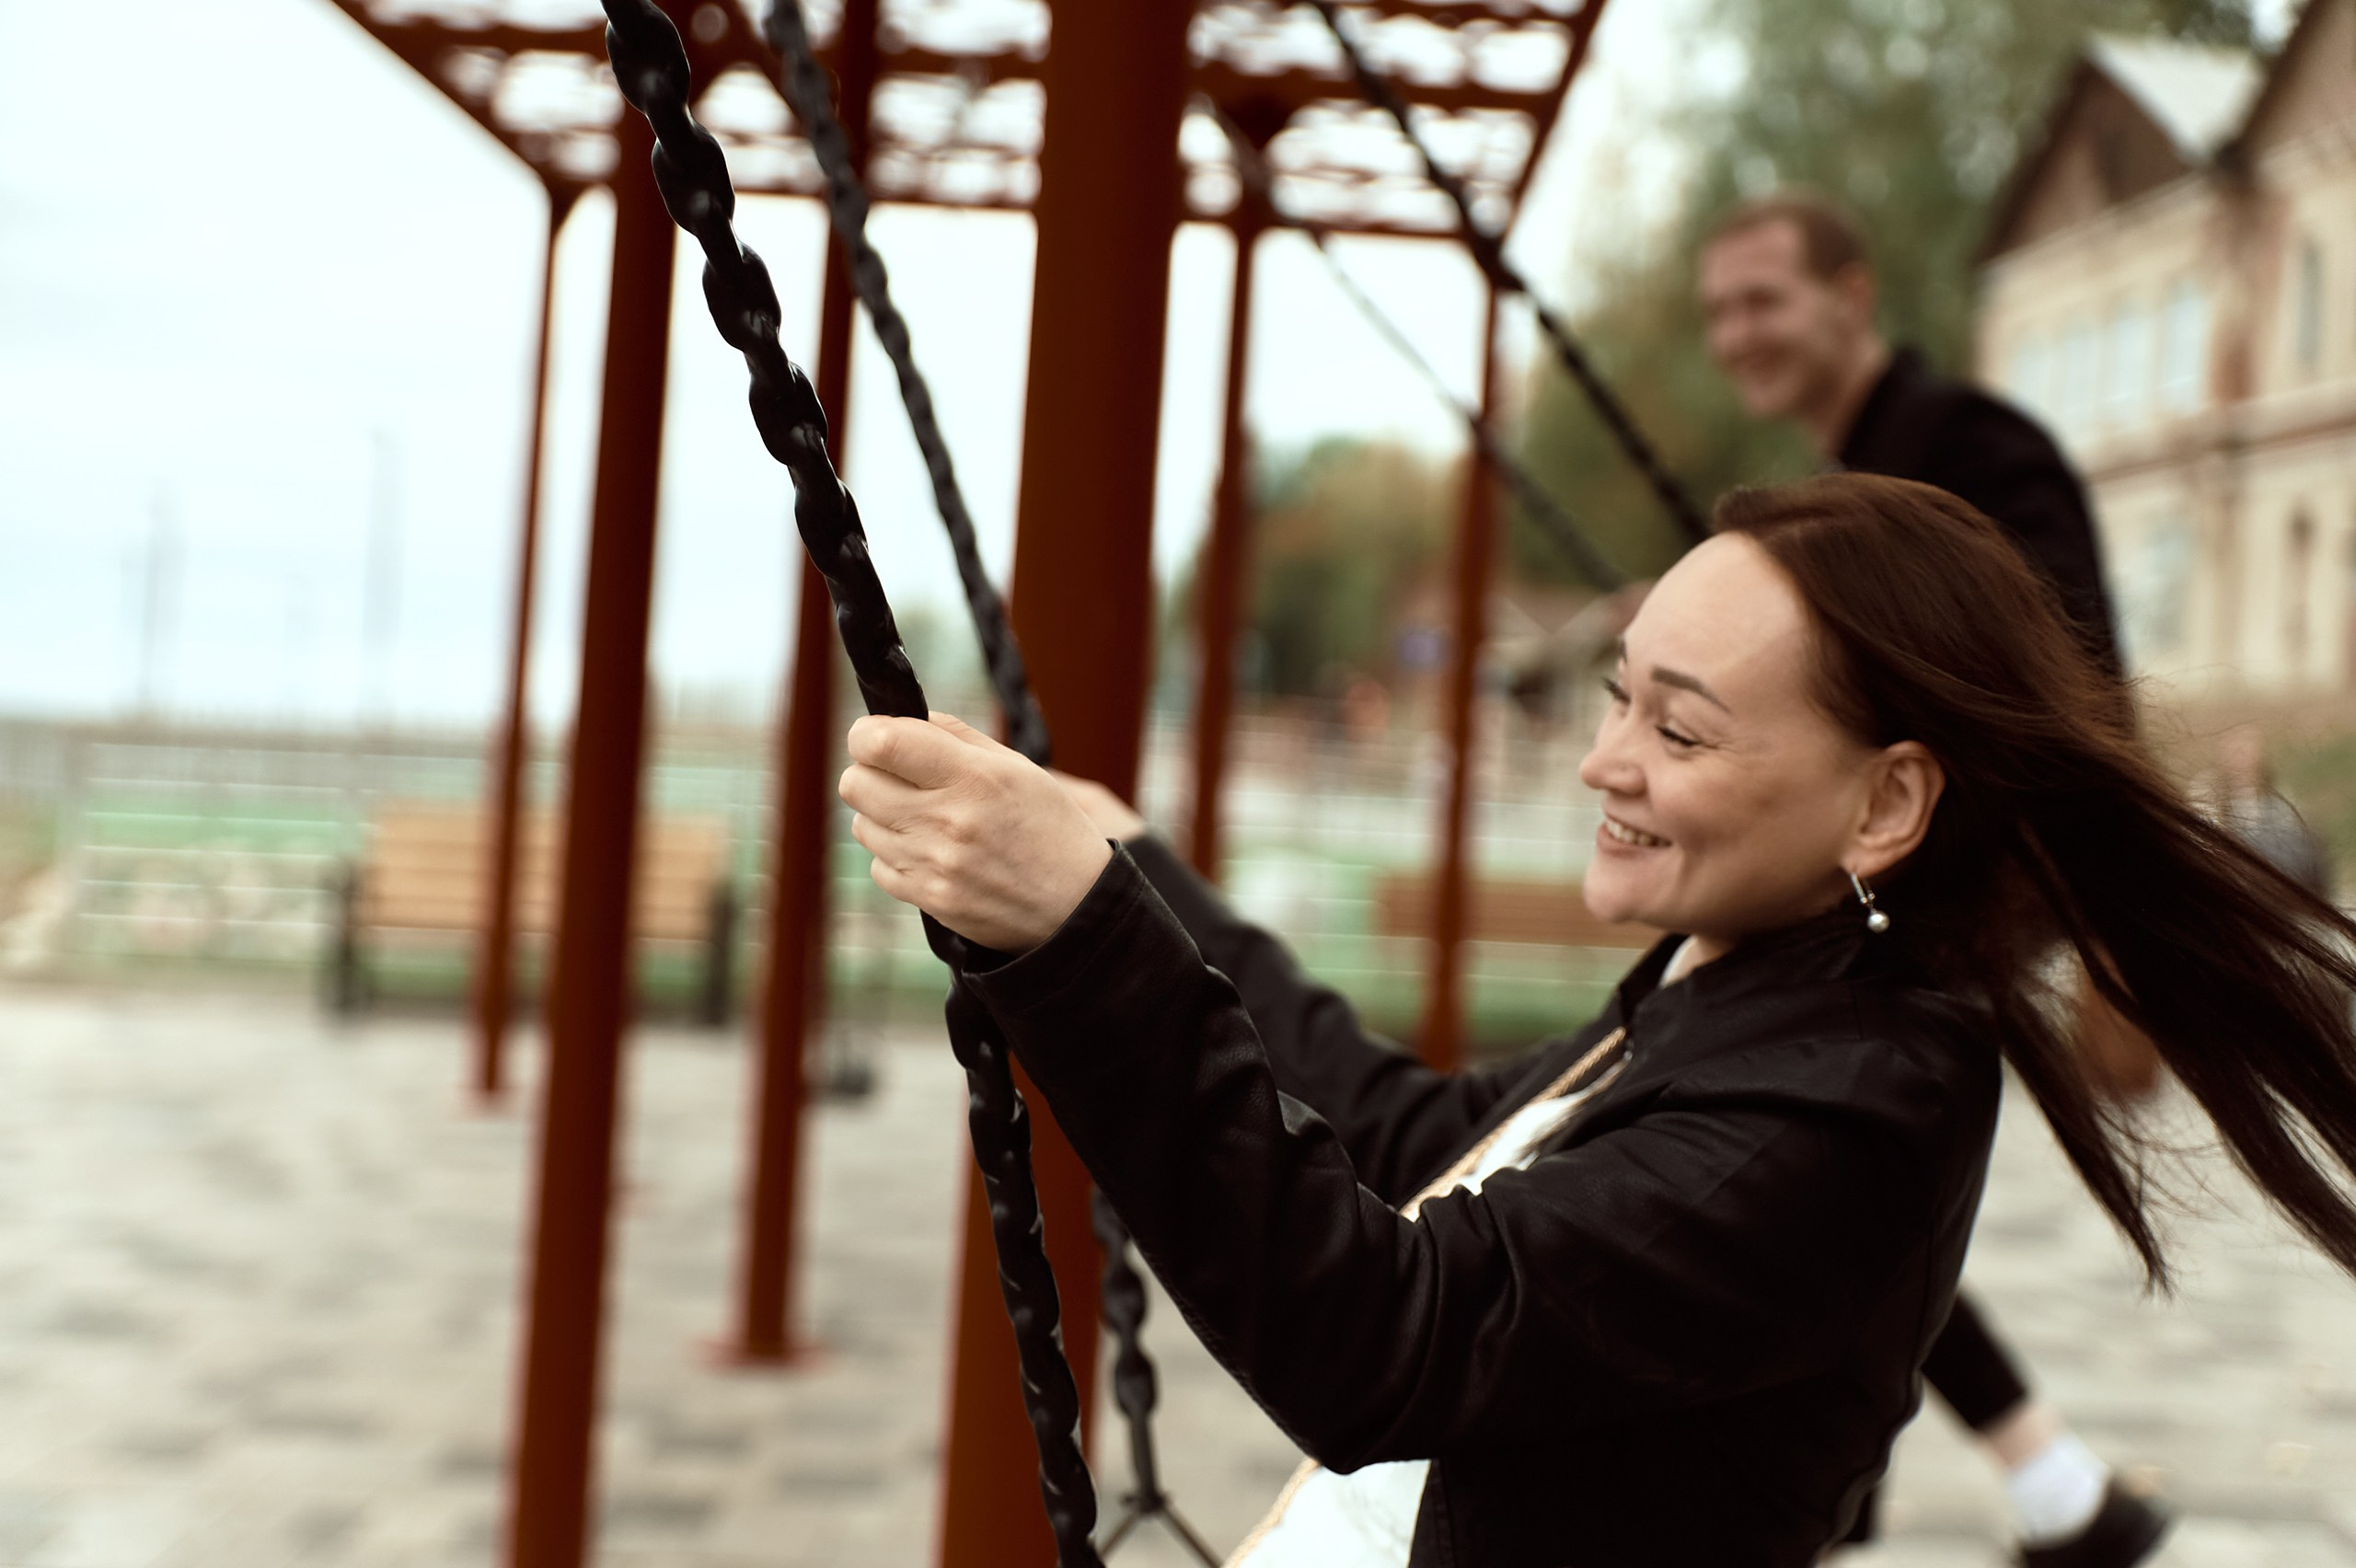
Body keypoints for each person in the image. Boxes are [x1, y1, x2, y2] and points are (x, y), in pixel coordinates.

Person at [839, 474, 2356, 1567]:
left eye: (1677, 727)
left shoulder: (1849, 1100)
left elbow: (1383, 1330)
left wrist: (1089, 941)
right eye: (1620, 697)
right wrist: (1139, 884)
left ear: (1888, 801)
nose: (1602, 762)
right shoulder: (1756, 979)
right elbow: (1419, 1140)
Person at [1699, 190, 2160, 1564]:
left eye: (1765, 299)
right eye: (1718, 310)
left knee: (1805, 1167)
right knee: (1831, 1181)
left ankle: (1948, 1500)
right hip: (1888, 869)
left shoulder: (1973, 446)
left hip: (1950, 876)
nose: (1738, 333)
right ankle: (2054, 1490)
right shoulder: (1856, 479)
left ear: (1854, 294)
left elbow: (2061, 675)